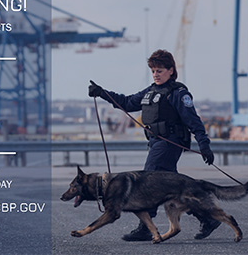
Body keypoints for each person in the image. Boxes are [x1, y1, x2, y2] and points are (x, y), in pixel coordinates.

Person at [88, 49, 220, 241]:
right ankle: (208, 218)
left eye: (160, 70)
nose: (156, 74)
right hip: (156, 143)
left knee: (147, 181)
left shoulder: (178, 93)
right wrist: (102, 93)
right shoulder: (150, 92)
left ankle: (145, 227)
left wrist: (204, 145)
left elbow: (194, 121)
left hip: (170, 143)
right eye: (153, 71)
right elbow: (126, 102)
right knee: (174, 188)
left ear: (171, 71)